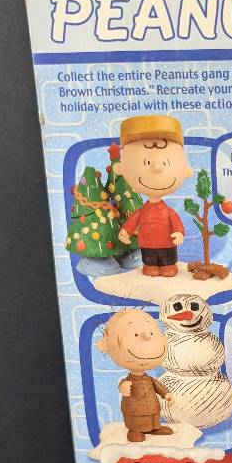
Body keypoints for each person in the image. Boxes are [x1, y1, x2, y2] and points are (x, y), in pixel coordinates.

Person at [116, 114, 194, 277]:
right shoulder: (142, 212)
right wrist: (125, 232)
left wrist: (179, 233)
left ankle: (167, 265)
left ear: (185, 170)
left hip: (167, 244)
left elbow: (176, 222)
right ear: (121, 169)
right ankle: (150, 266)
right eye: (146, 162)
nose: (157, 167)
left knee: (168, 262)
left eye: (166, 162)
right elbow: (134, 220)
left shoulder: (169, 212)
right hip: (148, 244)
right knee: (149, 261)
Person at [95, 309, 175, 442]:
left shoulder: (150, 379)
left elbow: (158, 386)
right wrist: (123, 387)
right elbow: (122, 385)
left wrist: (166, 395)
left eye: (152, 333)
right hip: (134, 408)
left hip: (153, 407)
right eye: (136, 334)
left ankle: (154, 427)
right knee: (137, 418)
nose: (147, 336)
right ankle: (135, 430)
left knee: (153, 416)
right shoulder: (128, 380)